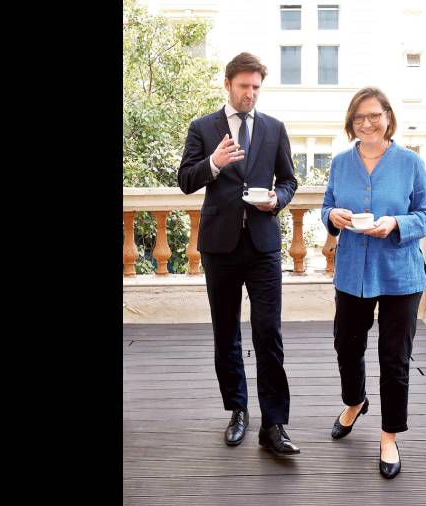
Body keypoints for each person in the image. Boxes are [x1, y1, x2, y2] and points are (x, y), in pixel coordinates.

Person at [178, 52, 300, 455]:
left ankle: (274, 424)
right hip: (220, 247)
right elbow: (185, 181)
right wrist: (212, 163)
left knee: (269, 333)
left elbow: (289, 181)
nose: (251, 94)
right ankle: (238, 411)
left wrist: (276, 201)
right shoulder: (203, 128)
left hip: (263, 244)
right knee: (225, 332)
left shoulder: (274, 128)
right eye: (244, 86)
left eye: (256, 88)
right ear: (228, 84)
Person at [321, 87, 426, 478]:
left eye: (373, 115)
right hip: (353, 272)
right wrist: (333, 215)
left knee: (394, 358)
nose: (366, 123)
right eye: (358, 118)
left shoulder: (410, 163)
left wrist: (396, 224)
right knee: (346, 345)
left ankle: (389, 437)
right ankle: (355, 402)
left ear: (388, 116)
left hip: (401, 275)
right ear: (351, 123)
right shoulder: (339, 163)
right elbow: (327, 206)